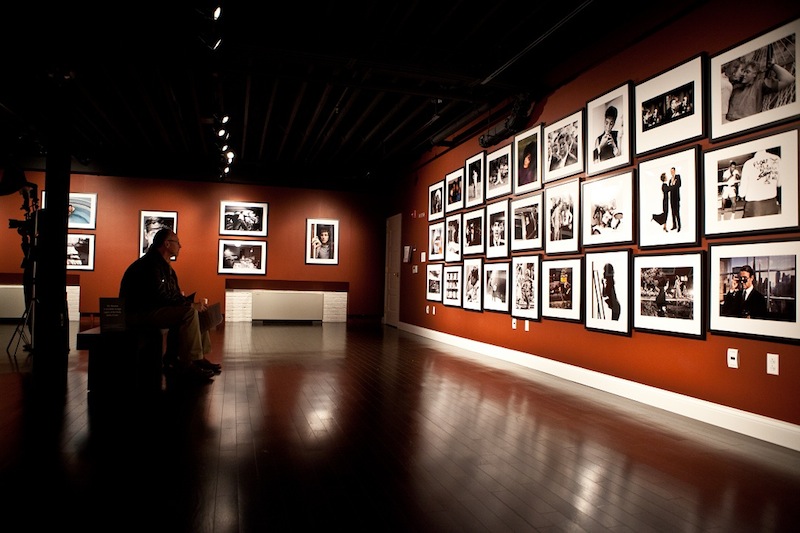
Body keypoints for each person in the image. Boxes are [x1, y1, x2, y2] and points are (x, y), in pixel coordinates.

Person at [119, 228, 221, 384]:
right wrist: (189, 305)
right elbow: (159, 297)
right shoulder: (149, 265)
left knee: (197, 311)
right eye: (177, 242)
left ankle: (197, 358)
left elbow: (172, 295)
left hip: (153, 309)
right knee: (189, 312)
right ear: (167, 244)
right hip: (140, 313)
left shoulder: (164, 266)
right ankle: (189, 362)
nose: (180, 246)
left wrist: (191, 303)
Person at [726, 56, 795, 122]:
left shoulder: (759, 85)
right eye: (743, 71)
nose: (744, 74)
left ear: (754, 74)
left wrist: (773, 66)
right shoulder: (734, 86)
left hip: (746, 124)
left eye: (747, 72)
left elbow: (789, 79)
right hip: (728, 123)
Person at [739, 149, 781, 217]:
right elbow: (780, 183)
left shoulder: (748, 163)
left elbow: (742, 193)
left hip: (754, 206)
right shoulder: (777, 159)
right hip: (772, 204)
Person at [667, 167, 681, 231]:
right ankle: (674, 225)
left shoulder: (678, 177)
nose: (672, 172)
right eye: (671, 171)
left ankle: (679, 226)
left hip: (676, 198)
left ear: (675, 171)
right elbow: (669, 188)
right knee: (672, 212)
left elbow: (678, 185)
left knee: (677, 212)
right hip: (671, 198)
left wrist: (672, 186)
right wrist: (673, 185)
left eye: (673, 171)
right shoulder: (670, 180)